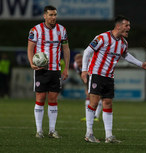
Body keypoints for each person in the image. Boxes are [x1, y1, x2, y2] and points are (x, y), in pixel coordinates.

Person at [81, 15, 146, 143]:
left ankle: (109, 136)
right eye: (126, 25)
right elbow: (87, 52)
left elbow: (126, 55)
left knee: (108, 103)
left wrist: (141, 64)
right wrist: (84, 70)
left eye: (129, 26)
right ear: (118, 26)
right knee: (93, 103)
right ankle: (89, 133)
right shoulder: (102, 38)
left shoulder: (123, 43)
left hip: (109, 76)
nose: (129, 28)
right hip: (97, 74)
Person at [27, 5, 70, 139]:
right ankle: (39, 130)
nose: (53, 17)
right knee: (40, 98)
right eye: (50, 15)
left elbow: (66, 49)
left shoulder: (62, 30)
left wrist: (66, 68)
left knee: (53, 99)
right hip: (41, 70)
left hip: (56, 70)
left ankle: (52, 130)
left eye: (55, 15)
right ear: (44, 16)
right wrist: (31, 63)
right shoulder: (35, 30)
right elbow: (30, 48)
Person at [73, 53, 102, 122]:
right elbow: (81, 76)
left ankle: (96, 116)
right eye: (78, 62)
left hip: (97, 76)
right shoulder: (75, 65)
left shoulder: (90, 63)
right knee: (89, 95)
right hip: (88, 77)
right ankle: (89, 116)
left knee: (98, 95)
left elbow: (94, 75)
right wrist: (86, 87)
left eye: (80, 62)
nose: (79, 63)